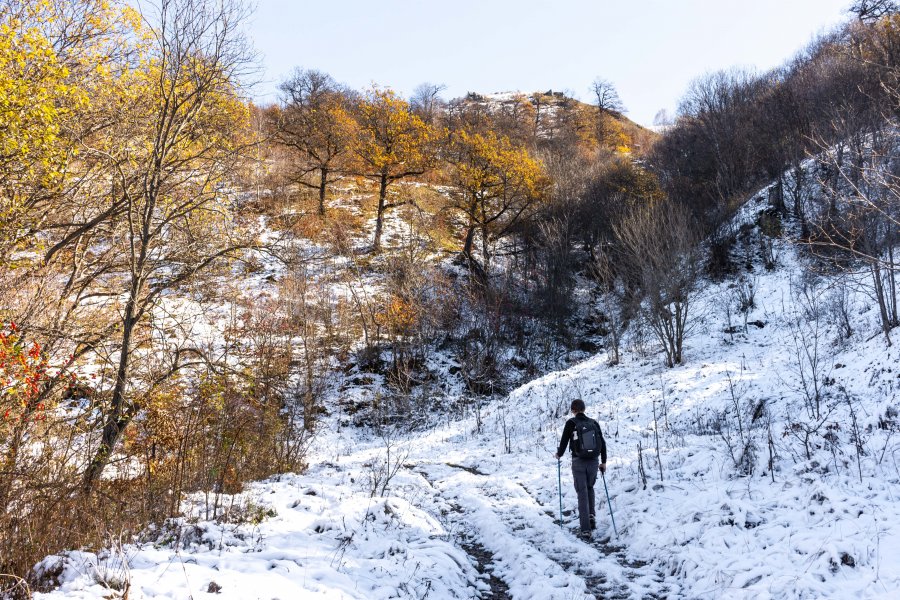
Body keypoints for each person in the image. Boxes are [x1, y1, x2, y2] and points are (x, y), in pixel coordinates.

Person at [554, 399, 607, 538]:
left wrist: (559, 454)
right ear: (584, 408)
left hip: (578, 461)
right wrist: (603, 462)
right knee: (590, 488)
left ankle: (585, 529)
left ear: (573, 410)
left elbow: (564, 441)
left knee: (581, 492)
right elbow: (602, 442)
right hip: (594, 462)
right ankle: (591, 516)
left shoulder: (571, 423)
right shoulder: (594, 423)